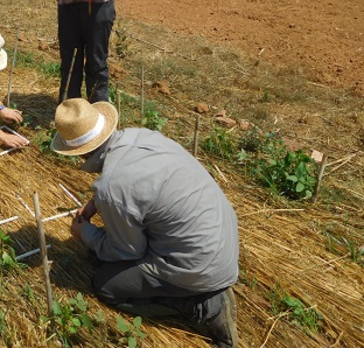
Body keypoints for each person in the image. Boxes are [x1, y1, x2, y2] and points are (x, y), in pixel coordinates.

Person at [51, 98, 239, 348]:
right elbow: (142, 186)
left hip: (199, 265)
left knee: (106, 285)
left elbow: (128, 251)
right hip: (221, 240)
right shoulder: (142, 137)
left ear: (78, 152)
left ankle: (202, 304)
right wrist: (97, 201)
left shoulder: (113, 187)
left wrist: (86, 232)